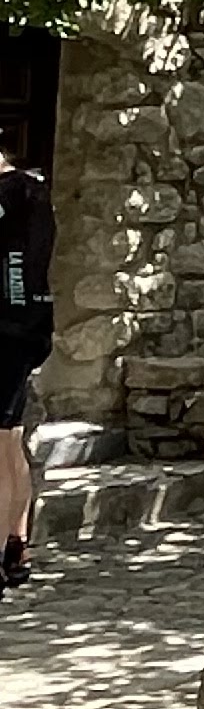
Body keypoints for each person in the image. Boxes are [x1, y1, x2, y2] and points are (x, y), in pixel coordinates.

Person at [0, 129, 50, 590]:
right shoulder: (34, 190)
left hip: (6, 331)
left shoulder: (13, 193)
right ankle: (17, 544)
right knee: (11, 440)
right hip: (27, 328)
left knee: (1, 448)